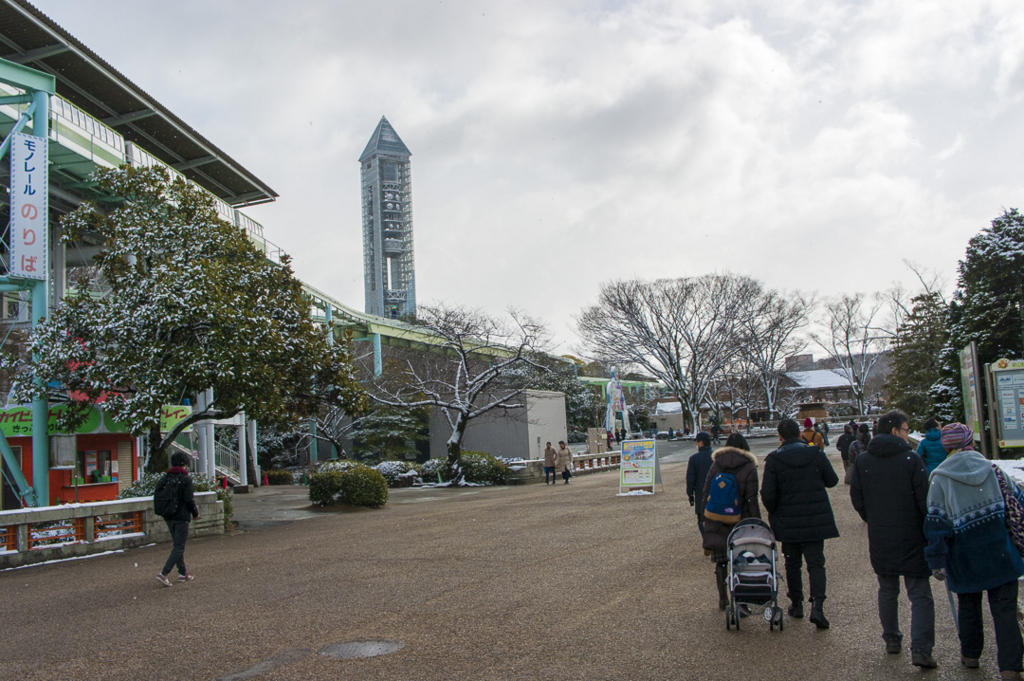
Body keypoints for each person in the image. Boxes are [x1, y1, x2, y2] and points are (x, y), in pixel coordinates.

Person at [926, 423, 1024, 680]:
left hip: (964, 557)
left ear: (946, 446)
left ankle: (971, 655)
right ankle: (1011, 667)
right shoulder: (993, 470)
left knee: (968, 607)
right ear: (970, 441)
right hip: (1000, 552)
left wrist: (936, 560)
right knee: (1005, 612)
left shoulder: (940, 478)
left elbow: (936, 523)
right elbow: (1018, 502)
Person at [850, 410, 936, 669]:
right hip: (912, 534)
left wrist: (874, 518)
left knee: (887, 590)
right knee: (920, 594)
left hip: (880, 535)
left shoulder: (864, 461)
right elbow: (925, 501)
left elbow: (858, 500)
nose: (908, 434)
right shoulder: (911, 459)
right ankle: (921, 648)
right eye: (906, 429)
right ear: (895, 430)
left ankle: (891, 638)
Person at [761, 418, 839, 628]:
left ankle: (797, 603)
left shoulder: (775, 460)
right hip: (815, 516)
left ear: (780, 436)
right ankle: (818, 606)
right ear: (800, 433)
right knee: (816, 563)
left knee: (792, 563)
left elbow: (767, 494)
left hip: (788, 519)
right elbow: (832, 481)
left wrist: (775, 511)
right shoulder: (815, 453)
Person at [701, 432, 760, 610]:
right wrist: (757, 522)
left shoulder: (717, 464)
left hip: (717, 518)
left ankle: (723, 599)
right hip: (739, 519)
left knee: (721, 560)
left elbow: (706, 492)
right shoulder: (749, 466)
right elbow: (752, 498)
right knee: (741, 560)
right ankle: (741, 602)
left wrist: (705, 516)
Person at [155, 451, 200, 587]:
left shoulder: (165, 478)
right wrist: (195, 513)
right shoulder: (185, 479)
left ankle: (182, 573)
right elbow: (189, 499)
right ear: (184, 464)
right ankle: (164, 573)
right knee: (179, 546)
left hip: (168, 515)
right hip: (181, 516)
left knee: (177, 545)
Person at [686, 432, 714, 536]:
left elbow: (690, 479)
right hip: (716, 492)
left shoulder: (694, 459)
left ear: (701, 443)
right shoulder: (716, 456)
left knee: (702, 519)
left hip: (701, 492)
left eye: (697, 442)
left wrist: (690, 494)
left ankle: (707, 539)